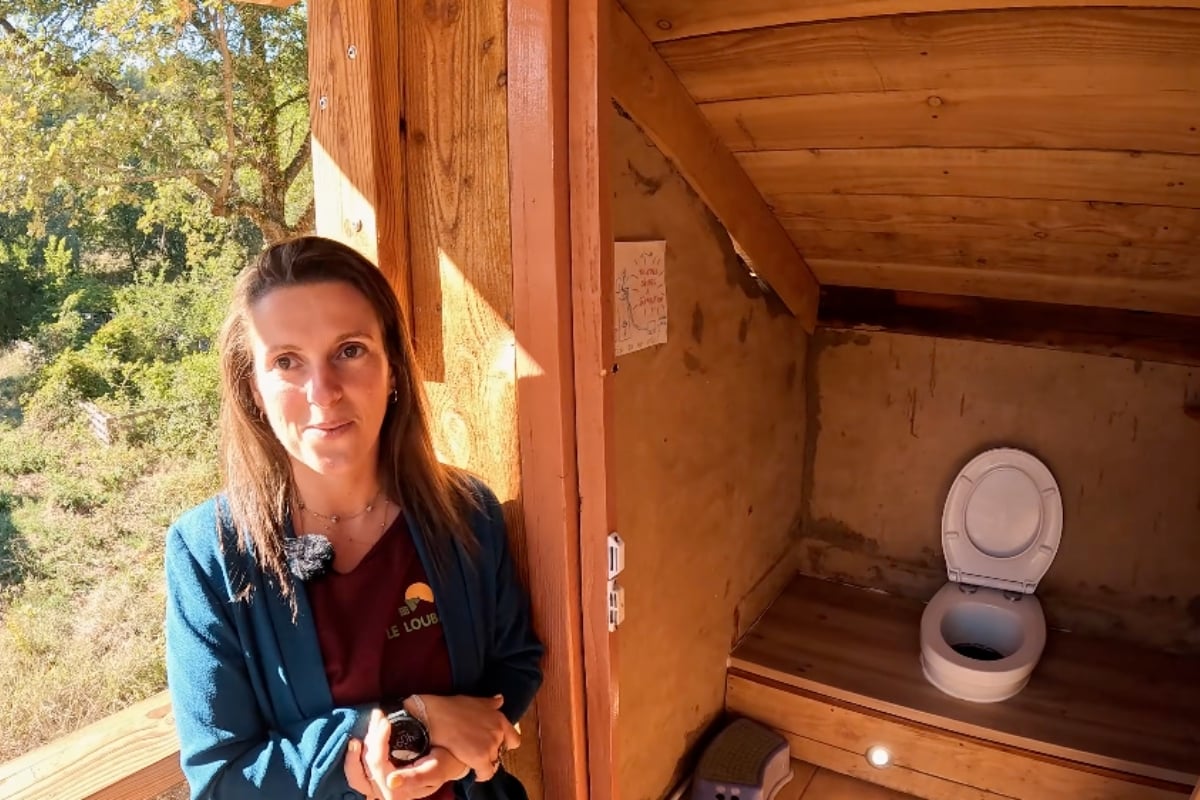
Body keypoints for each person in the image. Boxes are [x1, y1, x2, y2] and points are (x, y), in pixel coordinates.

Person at [164, 235, 543, 800]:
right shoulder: (209, 554)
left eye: (350, 350)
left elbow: (514, 664)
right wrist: (410, 722)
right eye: (287, 361)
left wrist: (452, 762)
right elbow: (222, 781)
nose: (324, 392)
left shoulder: (465, 512)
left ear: (393, 367)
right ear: (255, 391)